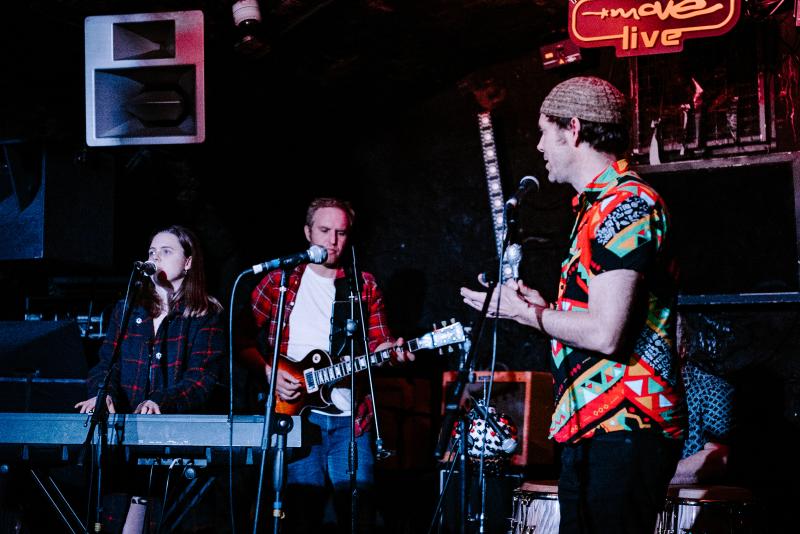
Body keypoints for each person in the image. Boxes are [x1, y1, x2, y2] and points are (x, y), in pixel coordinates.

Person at [461, 76, 686, 533]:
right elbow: (599, 316)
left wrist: (525, 313)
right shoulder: (597, 206)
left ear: (574, 129)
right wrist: (543, 308)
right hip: (596, 422)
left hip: (626, 422)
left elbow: (606, 333)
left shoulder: (626, 205)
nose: (540, 146)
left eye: (545, 132)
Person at [235, 197, 413, 532]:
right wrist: (269, 372)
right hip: (297, 417)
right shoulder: (280, 282)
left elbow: (379, 343)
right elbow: (239, 339)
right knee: (302, 515)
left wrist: (394, 350)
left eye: (341, 233)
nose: (332, 241)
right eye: (324, 230)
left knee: (358, 516)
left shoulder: (363, 285)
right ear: (308, 232)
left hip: (351, 421)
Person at [76, 224, 224, 415]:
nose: (155, 257)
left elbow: (201, 379)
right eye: (152, 252)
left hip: (176, 426)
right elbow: (107, 364)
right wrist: (104, 394)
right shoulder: (127, 310)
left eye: (166, 251)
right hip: (125, 424)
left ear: (187, 262)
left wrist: (160, 401)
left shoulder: (205, 314)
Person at [671, 313, 734, 485]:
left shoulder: (712, 390)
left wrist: (654, 477)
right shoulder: (638, 390)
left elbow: (718, 457)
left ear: (682, 348)